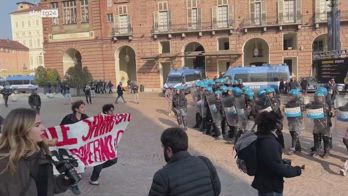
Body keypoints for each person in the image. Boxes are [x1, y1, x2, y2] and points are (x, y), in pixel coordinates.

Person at [0, 108, 73, 196]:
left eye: (41, 123)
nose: (43, 128)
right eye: (37, 125)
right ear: (22, 130)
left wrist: (64, 181)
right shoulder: (7, 162)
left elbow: (44, 187)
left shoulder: (39, 153)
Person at [148, 127, 221, 196]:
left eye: (163, 147)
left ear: (169, 150)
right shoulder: (205, 161)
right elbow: (217, 191)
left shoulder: (162, 176)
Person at [252, 111, 302, 196]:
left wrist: (280, 161)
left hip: (264, 183)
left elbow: (268, 160)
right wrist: (297, 170)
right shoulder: (269, 142)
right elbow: (277, 168)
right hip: (270, 186)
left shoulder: (260, 137)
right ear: (274, 125)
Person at [60, 100, 89, 195]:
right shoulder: (68, 118)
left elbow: (92, 127)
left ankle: (70, 180)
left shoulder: (85, 117)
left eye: (84, 107)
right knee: (76, 165)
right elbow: (60, 130)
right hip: (70, 145)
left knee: (81, 165)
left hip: (81, 144)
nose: (84, 109)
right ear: (76, 109)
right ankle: (73, 184)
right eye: (82, 107)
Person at [89, 104, 118, 185]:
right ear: (106, 111)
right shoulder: (100, 119)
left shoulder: (112, 119)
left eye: (113, 110)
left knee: (113, 160)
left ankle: (98, 168)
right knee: (100, 161)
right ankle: (93, 179)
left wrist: (115, 142)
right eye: (110, 111)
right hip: (100, 144)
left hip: (109, 143)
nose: (112, 112)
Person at [284, 89, 304, 154]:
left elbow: (303, 109)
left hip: (297, 120)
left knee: (295, 133)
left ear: (295, 96)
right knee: (292, 132)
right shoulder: (289, 103)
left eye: (291, 96)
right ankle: (298, 148)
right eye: (290, 96)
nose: (290, 97)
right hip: (290, 120)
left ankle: (293, 148)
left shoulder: (299, 102)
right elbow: (286, 110)